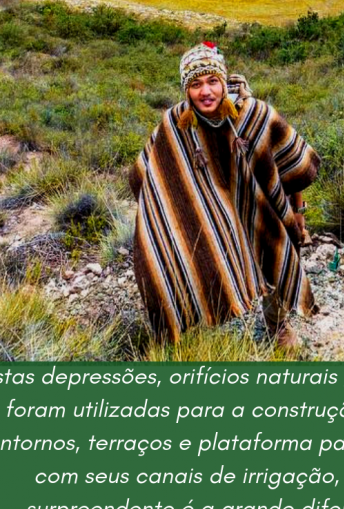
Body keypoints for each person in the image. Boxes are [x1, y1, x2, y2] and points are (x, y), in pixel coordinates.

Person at [128, 42, 319, 345]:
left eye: (212, 81)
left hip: (258, 208)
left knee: (275, 250)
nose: (205, 91)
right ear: (186, 89)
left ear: (223, 80)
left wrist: (298, 214)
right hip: (214, 213)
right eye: (196, 84)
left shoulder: (254, 116)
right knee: (174, 251)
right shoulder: (175, 124)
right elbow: (148, 176)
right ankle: (189, 322)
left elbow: (293, 169)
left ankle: (278, 324)